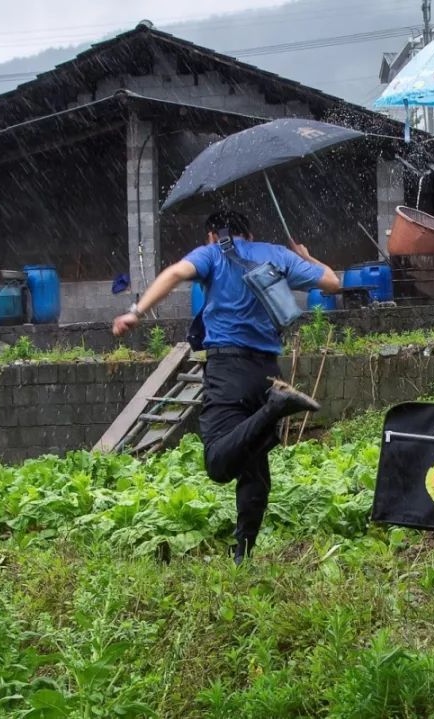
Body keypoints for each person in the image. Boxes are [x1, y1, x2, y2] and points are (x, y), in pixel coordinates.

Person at [113, 210, 341, 563]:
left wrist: (136, 311)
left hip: (228, 369)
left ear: (211, 234)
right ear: (249, 232)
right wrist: (306, 256)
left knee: (219, 463)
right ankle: (242, 556)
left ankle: (277, 406)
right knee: (253, 467)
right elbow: (332, 282)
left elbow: (175, 273)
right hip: (266, 371)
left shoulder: (212, 254)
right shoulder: (277, 254)